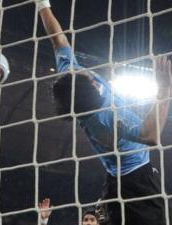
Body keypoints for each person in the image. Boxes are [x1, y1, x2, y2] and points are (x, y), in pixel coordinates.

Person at [36, 1, 172, 224]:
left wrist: (42, 5)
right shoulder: (103, 119)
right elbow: (151, 135)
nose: (83, 71)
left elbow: (58, 39)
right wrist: (164, 89)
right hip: (135, 185)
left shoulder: (70, 75)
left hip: (119, 179)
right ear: (85, 92)